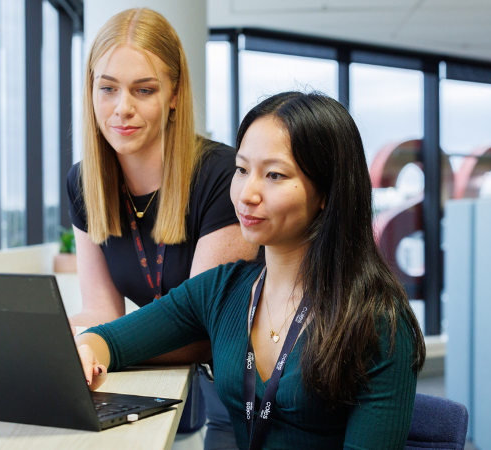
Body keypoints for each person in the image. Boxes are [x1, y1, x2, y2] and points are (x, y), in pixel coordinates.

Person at [76, 91, 427, 449]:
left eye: (274, 175)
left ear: (327, 192)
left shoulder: (377, 321)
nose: (247, 193)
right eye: (242, 170)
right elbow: (109, 340)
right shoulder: (222, 289)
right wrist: (87, 352)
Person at [66, 7, 255, 443]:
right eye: (107, 88)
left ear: (173, 94)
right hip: (165, 377)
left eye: (144, 90)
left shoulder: (223, 176)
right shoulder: (83, 182)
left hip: (242, 387)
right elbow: (102, 311)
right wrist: (46, 340)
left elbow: (200, 327)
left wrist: (95, 342)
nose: (122, 109)